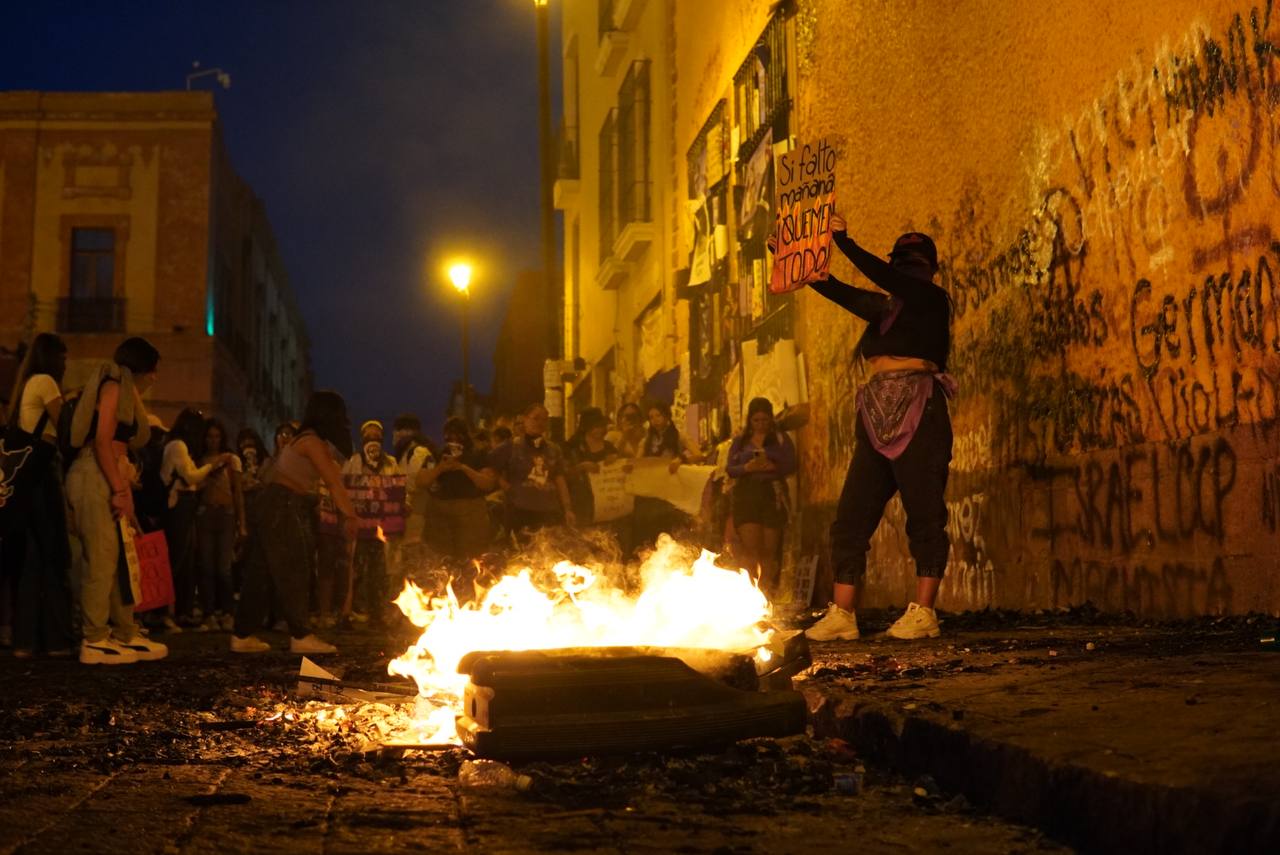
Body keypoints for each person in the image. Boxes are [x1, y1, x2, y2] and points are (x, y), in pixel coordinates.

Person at [800, 214, 955, 641]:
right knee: (850, 518)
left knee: (924, 513)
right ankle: (842, 615)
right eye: (900, 261)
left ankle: (924, 611)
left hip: (919, 412)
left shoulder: (931, 299)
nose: (905, 269)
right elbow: (837, 290)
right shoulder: (885, 309)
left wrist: (843, 242)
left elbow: (885, 277)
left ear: (928, 268)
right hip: (874, 416)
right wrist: (795, 261)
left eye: (911, 260)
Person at [64, 337, 169, 664]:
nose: (155, 377)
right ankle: (94, 639)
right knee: (102, 559)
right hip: (95, 475)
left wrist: (123, 487)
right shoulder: (113, 385)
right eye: (152, 369)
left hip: (106, 475)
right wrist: (120, 491)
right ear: (139, 367)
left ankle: (124, 632)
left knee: (119, 560)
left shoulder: (123, 389)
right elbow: (102, 440)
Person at [232, 391, 356, 654]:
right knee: (295, 568)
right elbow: (333, 481)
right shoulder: (310, 442)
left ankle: (242, 634)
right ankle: (300, 635)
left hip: (275, 503)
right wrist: (350, 516)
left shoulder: (307, 440)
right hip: (283, 504)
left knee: (261, 572)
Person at [4, 333, 74, 657]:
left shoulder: (26, 384)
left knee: (32, 559)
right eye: (63, 356)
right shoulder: (46, 381)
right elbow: (67, 428)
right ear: (51, 358)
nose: (66, 362)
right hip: (43, 474)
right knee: (55, 554)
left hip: (26, 479)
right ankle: (57, 640)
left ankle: (25, 641)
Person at [161, 408, 235, 628]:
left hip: (185, 506)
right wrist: (212, 465)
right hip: (177, 506)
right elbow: (191, 476)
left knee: (187, 562)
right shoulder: (178, 446)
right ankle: (167, 613)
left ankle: (178, 612)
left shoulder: (179, 447)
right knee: (178, 560)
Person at [725, 397, 797, 599]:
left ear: (770, 419)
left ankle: (767, 595)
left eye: (765, 420)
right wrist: (746, 468)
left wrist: (774, 466)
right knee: (751, 549)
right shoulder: (740, 442)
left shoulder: (781, 438)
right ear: (750, 420)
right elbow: (730, 469)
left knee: (769, 550)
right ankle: (751, 594)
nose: (760, 424)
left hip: (772, 494)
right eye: (756, 420)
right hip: (747, 494)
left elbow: (791, 465)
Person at [339, 420, 400, 625]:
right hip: (360, 525)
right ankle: (350, 611)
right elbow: (344, 487)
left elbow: (400, 488)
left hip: (381, 527)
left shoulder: (391, 463)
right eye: (368, 437)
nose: (373, 440)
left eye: (377, 437)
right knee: (355, 569)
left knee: (379, 570)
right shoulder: (354, 461)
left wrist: (403, 505)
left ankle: (377, 613)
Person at [489, 403, 574, 541]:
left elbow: (560, 479)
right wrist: (505, 485)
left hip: (548, 511)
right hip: (520, 511)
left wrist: (567, 509)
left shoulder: (553, 449)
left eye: (544, 419)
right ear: (525, 420)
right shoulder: (512, 446)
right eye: (536, 418)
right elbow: (490, 466)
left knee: (548, 554)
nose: (540, 423)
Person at [419, 418, 496, 567]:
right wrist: (441, 468)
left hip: (471, 514)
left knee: (471, 562)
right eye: (450, 435)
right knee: (440, 562)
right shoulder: (437, 454)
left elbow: (488, 483)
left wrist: (462, 467)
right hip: (440, 515)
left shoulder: (479, 455)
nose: (453, 439)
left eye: (458, 434)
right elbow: (421, 481)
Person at [195, 419, 245, 631]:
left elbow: (238, 492)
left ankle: (228, 612)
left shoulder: (231, 461)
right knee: (206, 566)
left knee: (224, 567)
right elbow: (195, 486)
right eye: (209, 436)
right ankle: (209, 614)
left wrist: (242, 523)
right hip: (206, 514)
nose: (213, 441)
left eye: (216, 436)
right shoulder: (200, 461)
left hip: (226, 515)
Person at [632, 400, 700, 549]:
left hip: (671, 491)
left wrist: (681, 459)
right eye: (651, 417)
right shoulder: (647, 440)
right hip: (651, 492)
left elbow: (698, 454)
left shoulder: (678, 436)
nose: (655, 420)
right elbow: (638, 461)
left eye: (658, 415)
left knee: (670, 527)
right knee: (649, 529)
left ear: (666, 416)